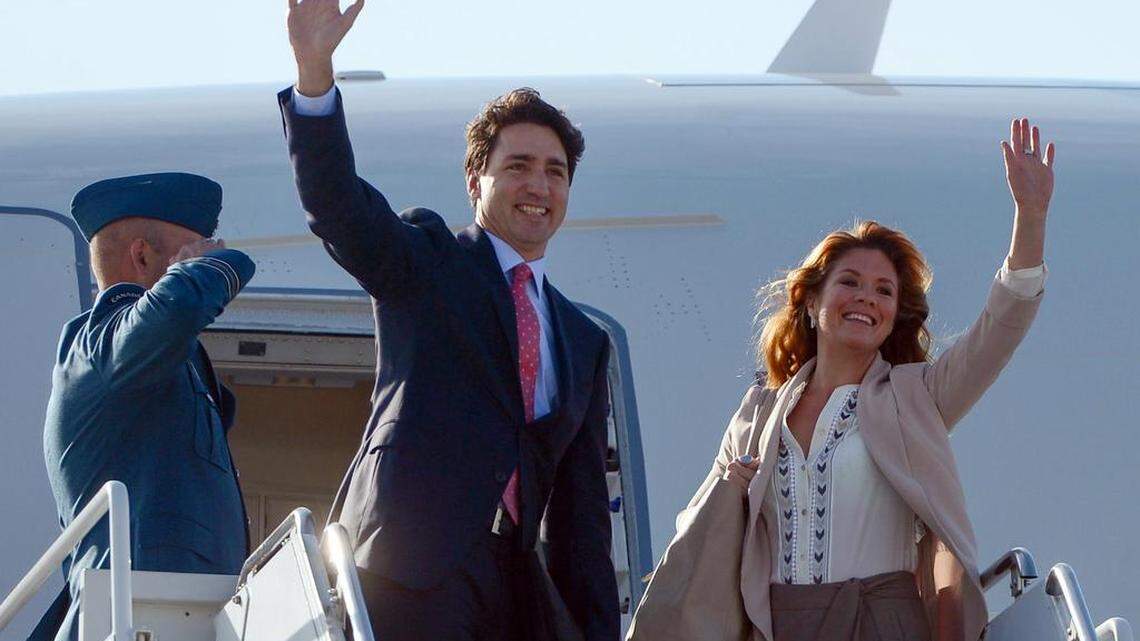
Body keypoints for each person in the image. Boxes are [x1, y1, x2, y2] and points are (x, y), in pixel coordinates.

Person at [629, 118, 1055, 641]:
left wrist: (1030, 219)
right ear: (812, 301)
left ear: (896, 314)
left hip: (883, 622)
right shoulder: (758, 413)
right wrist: (731, 484)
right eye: (849, 282)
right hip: (778, 625)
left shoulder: (917, 396)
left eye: (883, 291)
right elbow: (702, 528)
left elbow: (999, 330)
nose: (866, 299)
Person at [277, 1, 619, 640]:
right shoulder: (430, 259)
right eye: (517, 166)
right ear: (475, 180)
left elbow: (582, 522)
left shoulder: (583, 340)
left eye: (555, 172)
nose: (538, 186)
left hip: (515, 590)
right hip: (412, 569)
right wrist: (314, 76)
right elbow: (339, 208)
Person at [32, 173, 255, 641]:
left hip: (175, 616)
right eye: (199, 246)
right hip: (139, 620)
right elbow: (177, 307)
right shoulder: (97, 344)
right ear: (142, 255)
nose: (214, 250)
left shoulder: (158, 366)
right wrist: (219, 265)